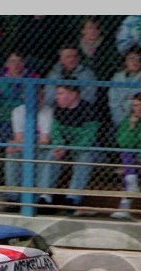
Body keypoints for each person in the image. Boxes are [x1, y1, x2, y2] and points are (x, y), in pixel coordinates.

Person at [36, 84, 100, 213]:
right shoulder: (58, 109)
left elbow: (88, 138)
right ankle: (45, 197)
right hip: (65, 149)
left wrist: (68, 149)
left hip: (85, 149)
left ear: (73, 94)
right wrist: (60, 146)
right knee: (51, 155)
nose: (56, 97)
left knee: (85, 158)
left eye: (60, 93)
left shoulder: (89, 110)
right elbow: (55, 132)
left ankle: (72, 199)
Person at [3, 86, 53, 208]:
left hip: (41, 149)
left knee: (48, 153)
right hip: (24, 147)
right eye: (31, 98)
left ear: (43, 98)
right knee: (11, 150)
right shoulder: (18, 111)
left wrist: (27, 143)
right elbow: (18, 138)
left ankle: (43, 196)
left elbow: (45, 140)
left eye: (39, 98)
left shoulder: (48, 112)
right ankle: (12, 195)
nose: (35, 101)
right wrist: (23, 144)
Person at [107, 46, 141, 128]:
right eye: (131, 58)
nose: (135, 62)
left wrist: (124, 99)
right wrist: (121, 121)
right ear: (125, 61)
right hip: (118, 118)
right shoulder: (117, 77)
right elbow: (114, 102)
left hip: (140, 118)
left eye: (139, 59)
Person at [75, 17, 119, 85]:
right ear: (82, 31)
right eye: (90, 28)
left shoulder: (108, 45)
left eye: (97, 28)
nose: (93, 31)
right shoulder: (75, 46)